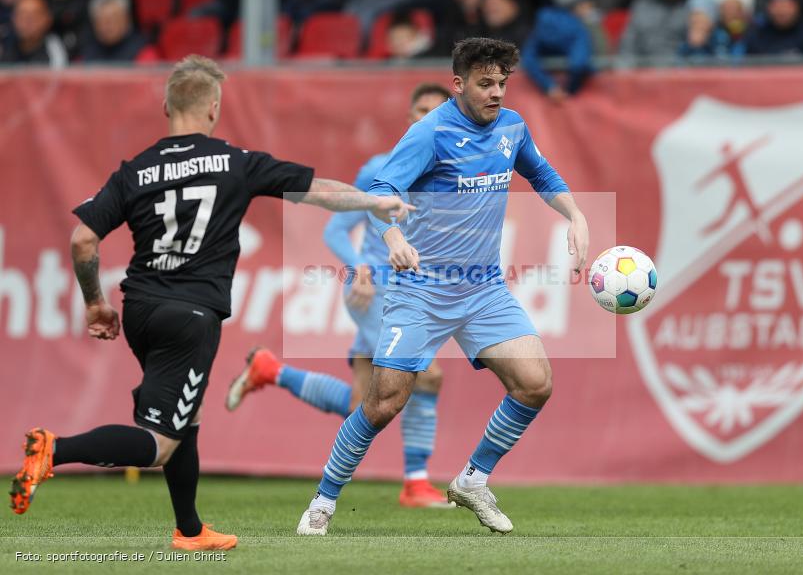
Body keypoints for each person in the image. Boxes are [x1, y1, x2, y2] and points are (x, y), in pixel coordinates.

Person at [8, 55, 411, 550]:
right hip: (192, 316)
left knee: (187, 414)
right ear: (214, 108)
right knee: (158, 444)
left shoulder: (135, 171)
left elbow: (82, 241)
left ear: (166, 107)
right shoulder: (237, 163)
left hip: (140, 309)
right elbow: (319, 192)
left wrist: (94, 303)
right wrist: (373, 201)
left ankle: (191, 530)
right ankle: (54, 449)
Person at [296, 37, 590, 536]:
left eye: (502, 83)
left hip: (483, 289)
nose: (497, 93)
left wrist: (576, 215)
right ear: (458, 84)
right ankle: (323, 502)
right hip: (421, 288)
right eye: (485, 83)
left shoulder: (512, 128)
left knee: (535, 383)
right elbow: (383, 190)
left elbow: (541, 174)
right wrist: (392, 237)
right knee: (384, 401)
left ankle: (473, 479)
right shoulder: (429, 133)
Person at [226, 83, 453, 509]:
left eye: (435, 111)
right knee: (430, 374)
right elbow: (334, 229)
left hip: (415, 290)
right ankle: (416, 482)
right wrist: (359, 267)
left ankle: (270, 370)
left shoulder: (449, 175)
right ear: (408, 117)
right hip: (376, 288)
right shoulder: (381, 168)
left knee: (359, 403)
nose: (425, 117)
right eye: (419, 109)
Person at [522, 0, 605, 101]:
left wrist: (550, 86)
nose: (592, 8)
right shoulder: (579, 29)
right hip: (576, 98)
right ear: (579, 4)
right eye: (589, 3)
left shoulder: (541, 24)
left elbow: (528, 58)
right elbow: (579, 64)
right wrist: (570, 90)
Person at [618, 0, 693, 60]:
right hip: (645, 70)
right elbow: (627, 50)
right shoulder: (641, 5)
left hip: (687, 70)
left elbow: (704, 56)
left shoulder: (701, 6)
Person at [81, 0, 149, 63]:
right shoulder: (86, 51)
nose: (106, 26)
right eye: (101, 21)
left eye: (112, 19)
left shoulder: (144, 51)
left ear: (126, 19)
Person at [0, 0, 66, 66]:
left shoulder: (57, 50)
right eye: (22, 14)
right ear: (13, 18)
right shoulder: (4, 45)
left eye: (35, 15)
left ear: (48, 19)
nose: (27, 21)